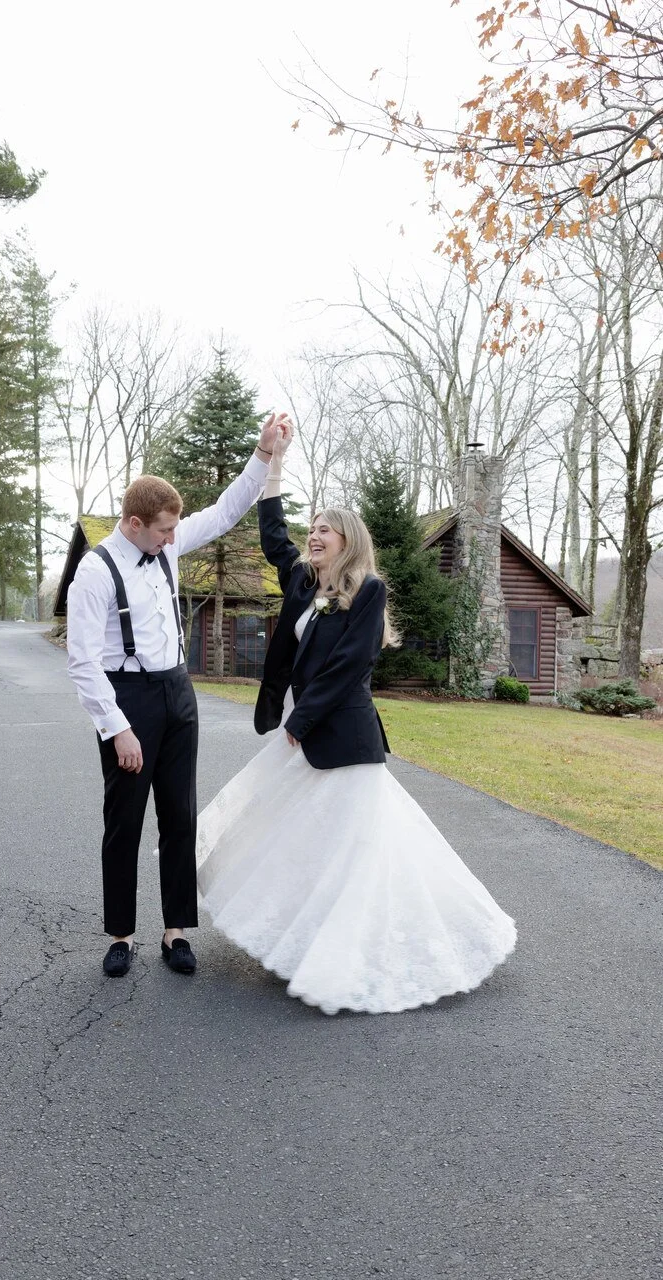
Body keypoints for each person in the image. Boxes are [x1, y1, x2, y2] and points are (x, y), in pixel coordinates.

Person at [196, 426, 517, 1015]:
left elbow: (350, 665)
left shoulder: (366, 591)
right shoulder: (301, 582)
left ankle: (373, 949)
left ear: (348, 541)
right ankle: (301, 939)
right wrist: (275, 460)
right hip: (305, 729)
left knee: (361, 852)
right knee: (291, 837)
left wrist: (302, 722)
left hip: (341, 735)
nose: (313, 535)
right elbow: (272, 532)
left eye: (324, 528)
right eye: (311, 527)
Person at [67, 412, 291, 979]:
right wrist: (117, 727)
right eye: (165, 531)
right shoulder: (93, 574)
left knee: (179, 816)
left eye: (174, 531)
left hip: (177, 691)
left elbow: (224, 513)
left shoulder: (164, 546)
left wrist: (263, 456)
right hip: (128, 699)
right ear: (135, 522)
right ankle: (120, 935)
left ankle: (176, 932)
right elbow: (82, 662)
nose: (173, 540)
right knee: (124, 821)